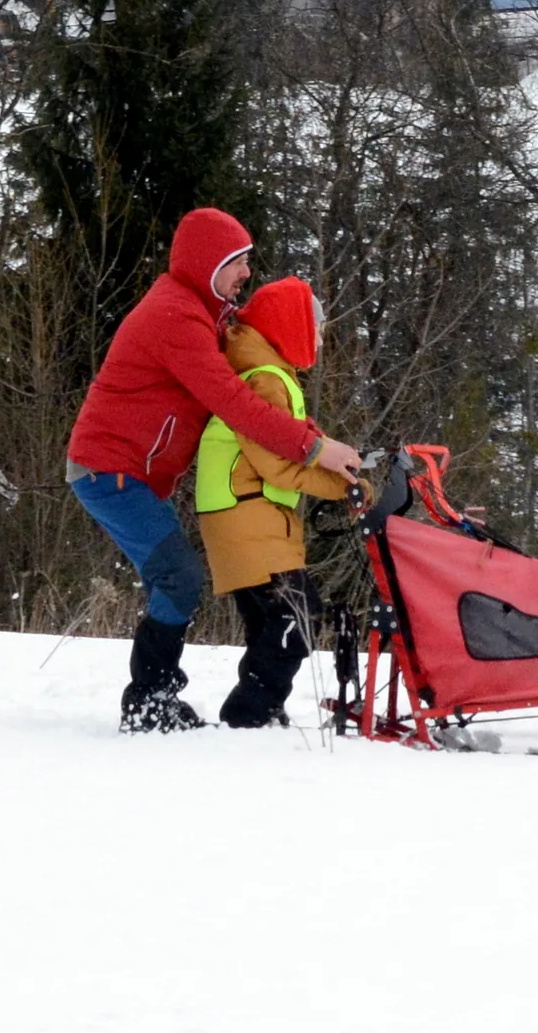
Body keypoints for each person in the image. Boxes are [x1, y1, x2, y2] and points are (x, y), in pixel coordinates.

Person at [67, 208, 361, 732]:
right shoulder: (175, 317)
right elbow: (235, 402)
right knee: (178, 577)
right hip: (107, 471)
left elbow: (261, 395)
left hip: (131, 474)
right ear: (208, 264)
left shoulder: (205, 316)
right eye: (239, 262)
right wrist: (315, 451)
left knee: (175, 578)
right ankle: (149, 703)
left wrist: (316, 439)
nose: (248, 272)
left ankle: (155, 698)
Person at [194, 277, 352, 728]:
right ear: (292, 326)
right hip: (246, 513)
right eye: (318, 328)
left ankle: (260, 712)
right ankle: (249, 715)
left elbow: (296, 446)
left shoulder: (267, 373)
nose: (322, 339)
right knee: (299, 617)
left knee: (270, 624)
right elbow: (278, 465)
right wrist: (345, 489)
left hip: (243, 514)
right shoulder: (266, 379)